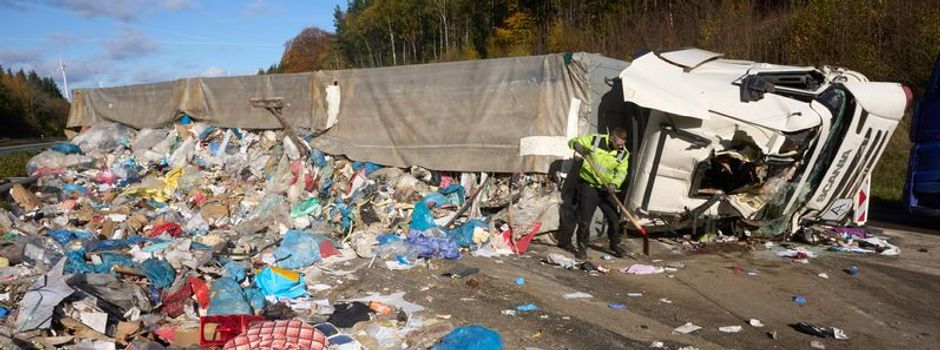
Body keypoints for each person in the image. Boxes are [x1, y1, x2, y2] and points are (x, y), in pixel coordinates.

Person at [557, 128, 630, 259]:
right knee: (585, 220)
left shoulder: (623, 154)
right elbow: (573, 141)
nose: (621, 146)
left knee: (614, 218)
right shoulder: (596, 139)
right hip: (589, 186)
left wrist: (614, 184)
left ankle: (614, 244)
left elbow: (621, 172)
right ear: (611, 138)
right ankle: (582, 248)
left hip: (606, 189)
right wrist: (576, 145)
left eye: (622, 144)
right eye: (618, 144)